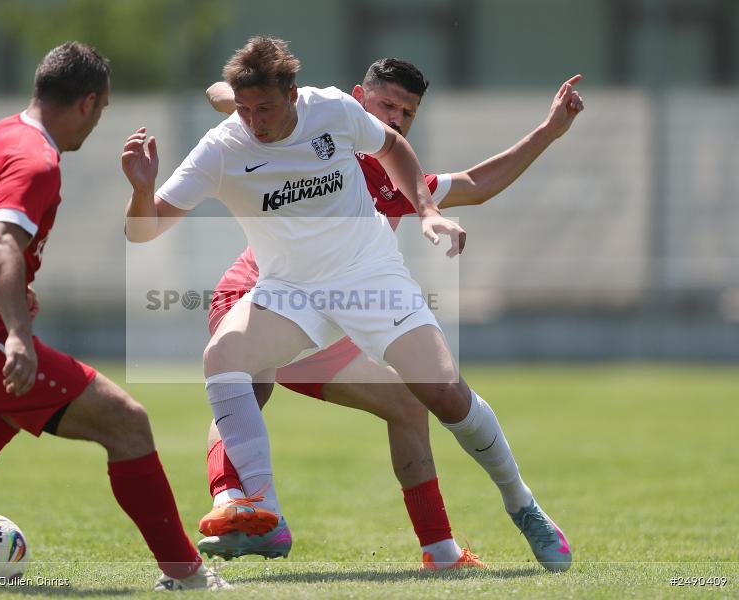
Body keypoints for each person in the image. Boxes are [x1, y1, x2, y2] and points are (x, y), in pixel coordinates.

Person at [122, 36, 563, 574]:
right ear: (362, 97)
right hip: (281, 289)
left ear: (293, 94)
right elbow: (145, 227)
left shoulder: (336, 117)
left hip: (369, 280)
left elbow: (454, 175)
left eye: (408, 111)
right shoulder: (229, 142)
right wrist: (142, 191)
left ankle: (520, 505)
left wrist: (428, 213)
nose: (254, 123)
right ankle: (249, 504)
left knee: (440, 396)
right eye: (388, 106)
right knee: (228, 360)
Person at [0, 42, 227, 591]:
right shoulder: (37, 159)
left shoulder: (0, 133)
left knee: (10, 400)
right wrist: (19, 333)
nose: (97, 123)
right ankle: (188, 576)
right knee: (127, 422)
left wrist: (13, 300)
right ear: (88, 103)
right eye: (104, 110)